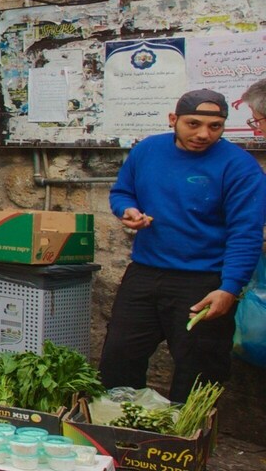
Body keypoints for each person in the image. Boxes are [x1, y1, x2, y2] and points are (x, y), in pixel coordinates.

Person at [104, 89, 266, 402]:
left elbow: (245, 233)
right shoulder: (148, 150)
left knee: (200, 367)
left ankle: (186, 444)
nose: (204, 134)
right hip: (145, 273)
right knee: (119, 356)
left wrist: (229, 288)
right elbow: (122, 192)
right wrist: (126, 210)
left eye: (215, 126)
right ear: (173, 120)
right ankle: (119, 431)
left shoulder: (239, 167)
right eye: (193, 124)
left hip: (204, 280)